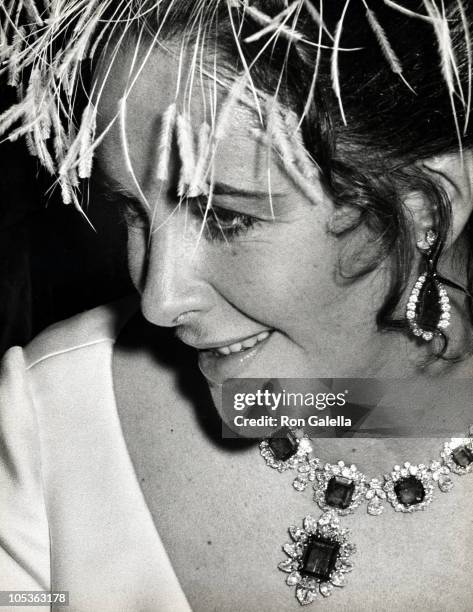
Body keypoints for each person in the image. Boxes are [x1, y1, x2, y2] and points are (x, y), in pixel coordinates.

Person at [1, 1, 473, 610]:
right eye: (132, 212)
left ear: (425, 211)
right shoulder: (52, 415)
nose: (159, 300)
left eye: (226, 217)